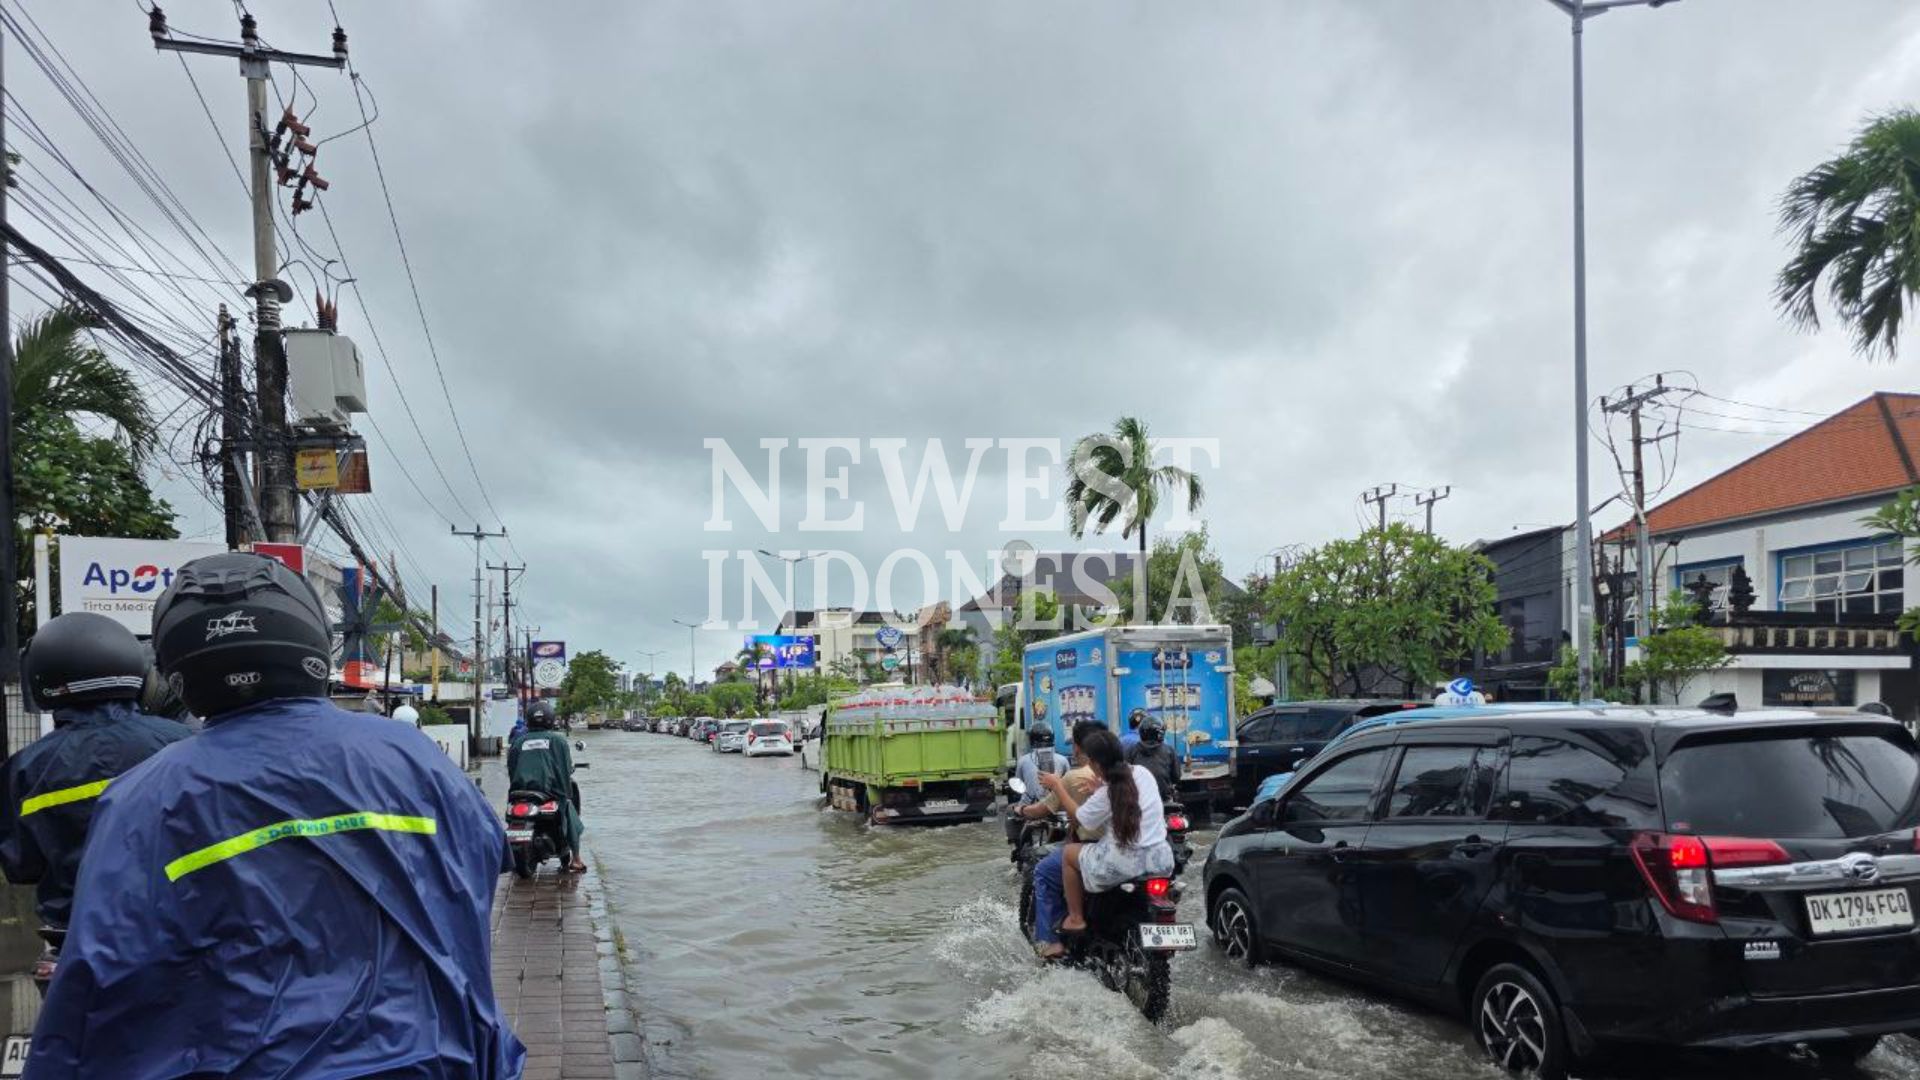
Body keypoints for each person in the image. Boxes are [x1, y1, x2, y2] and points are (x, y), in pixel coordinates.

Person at [27, 552, 525, 1079]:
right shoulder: (419, 759)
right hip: (445, 1060)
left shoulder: (144, 799)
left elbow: (96, 984)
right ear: (311, 639)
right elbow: (485, 865)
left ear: (176, 669)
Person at [0, 613, 194, 934]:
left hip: (81, 936)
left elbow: (22, 866)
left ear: (43, 681)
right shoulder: (184, 742)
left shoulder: (26, 769)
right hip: (179, 926)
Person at [1032, 727, 1174, 960]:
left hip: (1121, 864)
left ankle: (1076, 918)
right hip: (1160, 859)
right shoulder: (1142, 774)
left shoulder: (1106, 793)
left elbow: (1080, 817)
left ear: (1095, 764)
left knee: (1068, 854)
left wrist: (1057, 786)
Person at [509, 698, 587, 873]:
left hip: (520, 793)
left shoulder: (518, 741)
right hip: (549, 793)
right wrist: (563, 791)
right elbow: (564, 768)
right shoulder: (557, 741)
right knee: (570, 813)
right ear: (551, 720)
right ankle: (576, 858)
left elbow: (512, 768)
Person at [1015, 720, 1104, 840]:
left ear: (1076, 748)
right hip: (1116, 845)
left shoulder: (1072, 777)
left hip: (1090, 846)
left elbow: (1041, 810)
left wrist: (1021, 809)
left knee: (1045, 856)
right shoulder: (1121, 773)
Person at [1124, 717, 1181, 803]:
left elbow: (1125, 776)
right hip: (1164, 801)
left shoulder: (1132, 751)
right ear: (1160, 734)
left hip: (1139, 803)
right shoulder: (1169, 750)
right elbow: (1176, 777)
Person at [1010, 724, 1068, 804]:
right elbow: (1068, 784)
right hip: (1056, 805)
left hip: (1030, 805)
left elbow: (1019, 783)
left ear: (1031, 739)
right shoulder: (1063, 759)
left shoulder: (1023, 760)